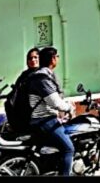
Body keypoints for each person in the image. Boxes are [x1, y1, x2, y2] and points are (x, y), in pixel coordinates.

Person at [24, 47, 75, 177]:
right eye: (57, 56)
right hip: (44, 120)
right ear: (52, 59)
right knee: (68, 149)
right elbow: (55, 102)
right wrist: (68, 107)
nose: (58, 59)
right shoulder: (42, 77)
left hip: (45, 119)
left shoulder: (43, 75)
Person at [5, 47, 41, 135]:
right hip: (22, 107)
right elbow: (17, 87)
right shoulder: (24, 74)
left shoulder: (43, 73)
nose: (33, 60)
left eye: (35, 57)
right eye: (30, 58)